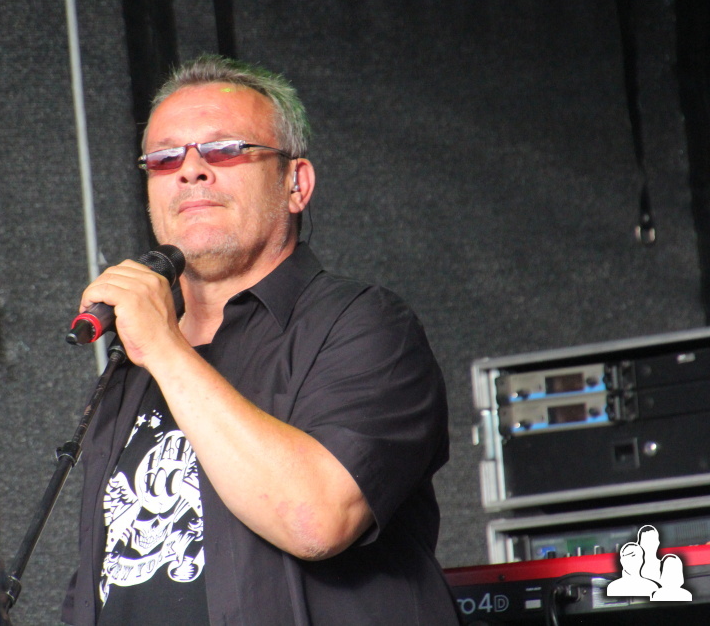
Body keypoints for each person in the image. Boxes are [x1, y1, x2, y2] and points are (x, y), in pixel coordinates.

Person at [62, 54, 459, 625]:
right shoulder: (133, 363)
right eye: (165, 158)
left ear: (296, 184)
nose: (190, 170)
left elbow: (316, 521)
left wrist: (165, 350)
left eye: (225, 149)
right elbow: (102, 574)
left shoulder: (367, 325)